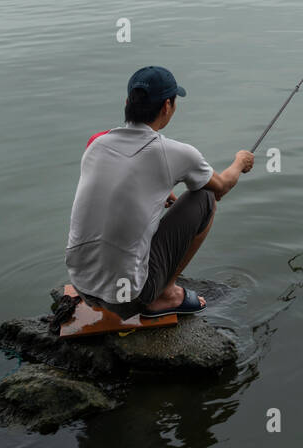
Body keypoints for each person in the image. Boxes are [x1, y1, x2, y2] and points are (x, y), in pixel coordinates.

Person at [66, 65, 254, 318]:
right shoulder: (177, 153)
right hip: (129, 299)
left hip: (82, 285)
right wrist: (240, 162)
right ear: (167, 106)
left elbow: (118, 181)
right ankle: (164, 295)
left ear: (127, 102)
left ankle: (112, 289)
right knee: (205, 199)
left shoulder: (97, 143)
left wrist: (160, 192)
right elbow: (221, 187)